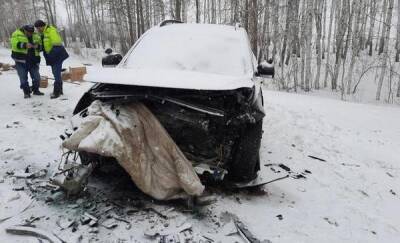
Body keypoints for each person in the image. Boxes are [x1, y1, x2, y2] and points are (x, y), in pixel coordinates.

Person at [34, 20, 69, 99]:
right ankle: (60, 90)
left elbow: (57, 44)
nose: (38, 30)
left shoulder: (51, 30)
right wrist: (38, 48)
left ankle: (57, 93)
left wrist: (51, 56)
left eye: (38, 28)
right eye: (37, 28)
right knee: (56, 73)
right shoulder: (43, 33)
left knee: (56, 73)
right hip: (53, 56)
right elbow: (45, 45)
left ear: (42, 26)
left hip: (57, 55)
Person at [10, 25, 44, 98]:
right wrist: (24, 45)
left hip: (33, 61)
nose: (30, 33)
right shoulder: (16, 34)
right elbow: (14, 44)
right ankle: (26, 92)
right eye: (29, 32)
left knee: (37, 77)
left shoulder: (36, 35)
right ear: (24, 30)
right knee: (23, 78)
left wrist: (37, 46)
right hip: (20, 61)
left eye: (32, 32)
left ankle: (35, 90)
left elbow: (41, 46)